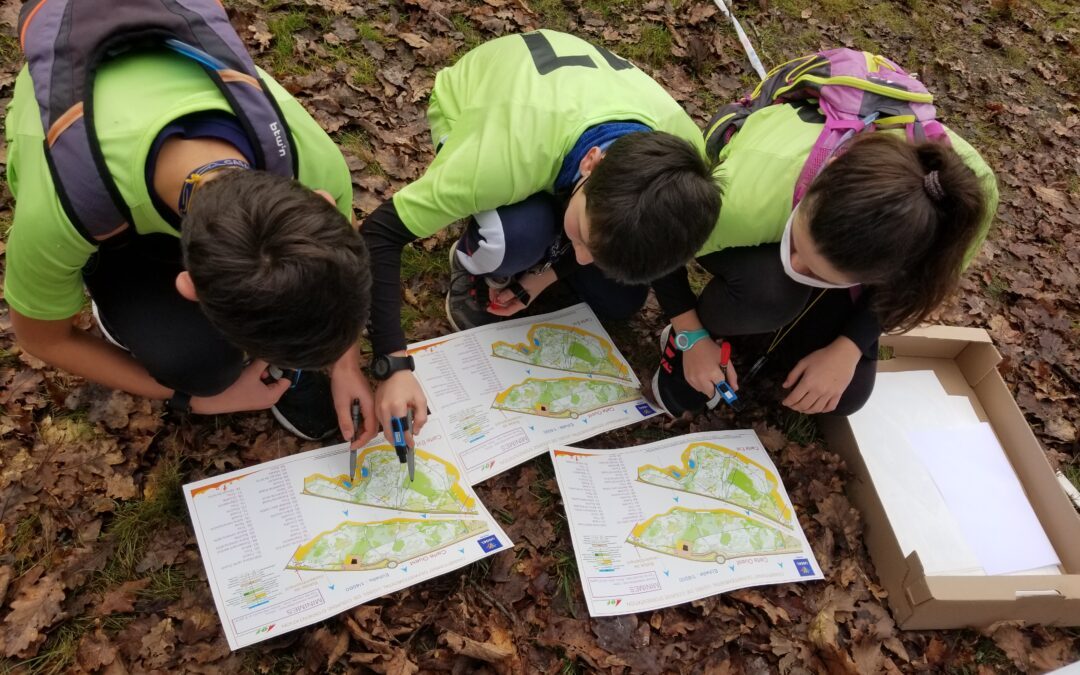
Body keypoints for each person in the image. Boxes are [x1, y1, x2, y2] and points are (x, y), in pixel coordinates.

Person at [6, 3, 377, 445]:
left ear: (319, 201)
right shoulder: (65, 206)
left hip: (148, 155)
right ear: (188, 286)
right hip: (108, 203)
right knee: (200, 367)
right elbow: (45, 339)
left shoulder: (311, 159)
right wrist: (195, 400)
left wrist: (346, 364)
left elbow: (338, 266)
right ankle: (117, 306)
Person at [361, 29, 720, 440]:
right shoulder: (495, 160)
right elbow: (380, 234)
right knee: (512, 237)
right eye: (584, 239)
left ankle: (561, 225)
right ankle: (474, 259)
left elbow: (660, 243)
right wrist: (393, 363)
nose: (582, 258)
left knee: (621, 299)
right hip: (494, 108)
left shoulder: (688, 170)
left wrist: (547, 275)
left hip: (569, 118)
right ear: (591, 164)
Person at [650, 99, 998, 418]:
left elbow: (907, 292)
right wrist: (690, 333)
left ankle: (778, 311)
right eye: (798, 244)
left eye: (822, 275)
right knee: (770, 291)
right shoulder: (740, 197)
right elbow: (656, 241)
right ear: (828, 170)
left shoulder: (956, 217)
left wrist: (847, 349)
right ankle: (720, 323)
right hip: (765, 202)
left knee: (848, 395)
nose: (796, 266)